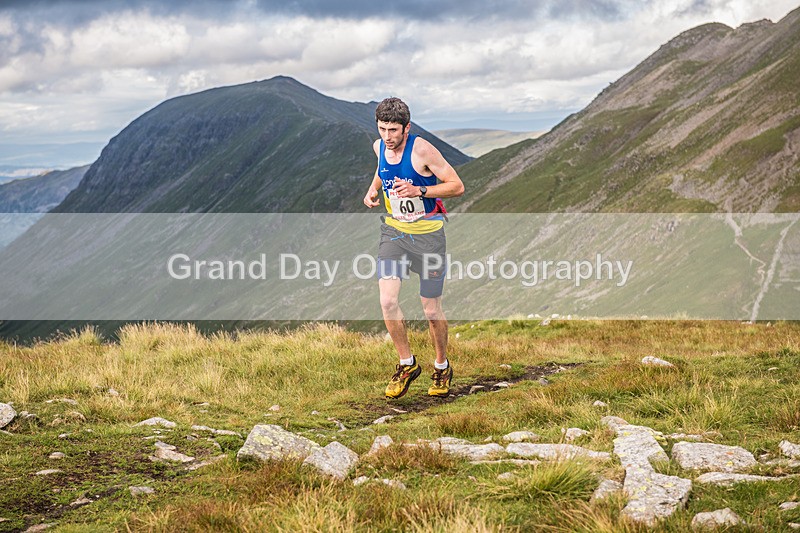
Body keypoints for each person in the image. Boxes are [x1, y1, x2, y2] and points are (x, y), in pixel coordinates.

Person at [363, 97, 465, 399]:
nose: (387, 136)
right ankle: (406, 364)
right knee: (387, 301)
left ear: (406, 128)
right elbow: (382, 171)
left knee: (431, 308)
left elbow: (456, 186)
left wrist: (420, 189)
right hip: (394, 232)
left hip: (428, 236)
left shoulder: (421, 149)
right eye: (382, 129)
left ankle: (442, 366)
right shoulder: (378, 147)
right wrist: (373, 189)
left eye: (393, 130)